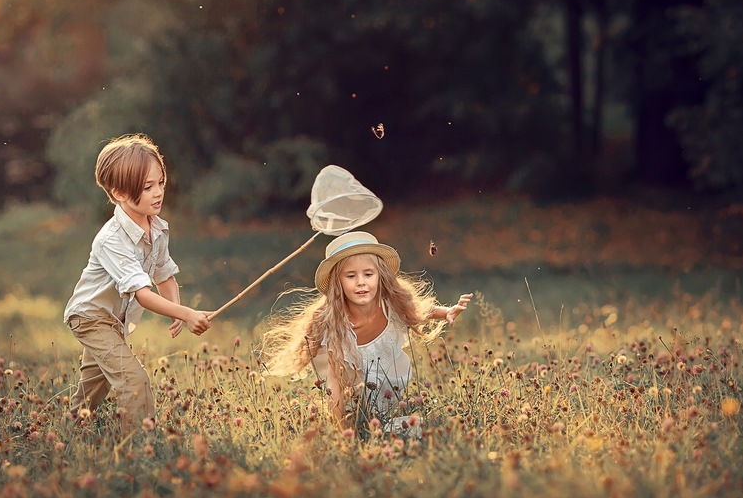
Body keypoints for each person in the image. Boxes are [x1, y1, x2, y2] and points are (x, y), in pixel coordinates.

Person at [63, 133, 211, 430]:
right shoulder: (111, 240)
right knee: (133, 381)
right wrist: (186, 314)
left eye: (160, 183)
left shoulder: (156, 227)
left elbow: (164, 274)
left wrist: (176, 306)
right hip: (90, 318)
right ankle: (136, 450)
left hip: (112, 320)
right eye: (147, 187)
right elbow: (142, 294)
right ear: (119, 193)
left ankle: (70, 433)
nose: (158, 193)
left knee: (95, 385)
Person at [260, 231, 472, 435]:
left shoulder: (391, 306)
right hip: (350, 383)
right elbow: (335, 381)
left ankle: (383, 421)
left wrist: (447, 312)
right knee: (357, 414)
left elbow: (417, 311)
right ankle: (360, 423)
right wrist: (340, 430)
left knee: (392, 391)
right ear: (339, 283)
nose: (361, 282)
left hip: (388, 379)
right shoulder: (335, 326)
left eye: (368, 274)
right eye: (351, 276)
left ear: (380, 277)